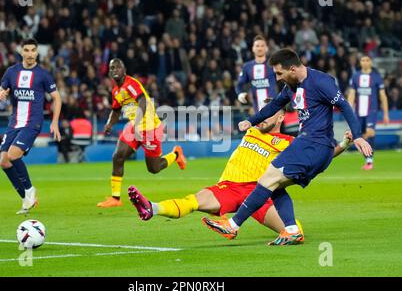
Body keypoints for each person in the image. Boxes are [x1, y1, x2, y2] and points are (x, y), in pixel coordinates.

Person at [202, 48, 372, 245]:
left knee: (267, 177)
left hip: (312, 144)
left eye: (279, 73)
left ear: (292, 69)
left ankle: (232, 225)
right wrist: (251, 121)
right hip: (314, 148)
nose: (277, 77)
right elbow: (274, 105)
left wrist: (358, 136)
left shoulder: (321, 81)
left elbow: (344, 106)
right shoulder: (291, 87)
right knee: (273, 186)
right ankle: (291, 230)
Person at [128, 98, 353, 236]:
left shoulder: (287, 142)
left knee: (294, 231)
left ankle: (281, 232)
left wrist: (343, 144)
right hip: (229, 187)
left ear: (282, 116)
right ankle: (151, 208)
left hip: (259, 194)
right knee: (192, 201)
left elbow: (321, 155)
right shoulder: (252, 129)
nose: (262, 117)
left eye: (270, 113)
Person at [96, 58, 187, 208]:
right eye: (112, 68)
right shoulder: (116, 91)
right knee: (118, 157)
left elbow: (143, 102)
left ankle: (176, 154)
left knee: (154, 168)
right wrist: (109, 123)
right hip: (134, 127)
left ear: (124, 70)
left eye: (117, 67)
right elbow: (116, 110)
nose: (114, 70)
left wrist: (137, 125)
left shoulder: (131, 84)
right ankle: (115, 198)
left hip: (150, 128)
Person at [0, 38, 62, 215]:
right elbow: (0, 89)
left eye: (33, 50)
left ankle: (30, 190)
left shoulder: (43, 74)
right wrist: (1, 94)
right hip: (15, 121)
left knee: (13, 155)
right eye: (27, 50)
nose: (30, 53)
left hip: (33, 122)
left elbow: (57, 98)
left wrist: (54, 122)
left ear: (37, 52)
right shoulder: (11, 72)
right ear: (21, 52)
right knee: (3, 161)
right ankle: (25, 197)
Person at [347, 55, 389, 170]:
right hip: (358, 112)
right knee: (359, 135)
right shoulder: (356, 76)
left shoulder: (376, 77)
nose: (364, 62)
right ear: (360, 62)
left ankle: (369, 160)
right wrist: (349, 111)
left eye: (367, 60)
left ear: (371, 62)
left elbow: (383, 96)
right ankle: (368, 159)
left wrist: (386, 114)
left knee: (370, 132)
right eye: (362, 60)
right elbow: (351, 94)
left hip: (372, 110)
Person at [236, 35, 280, 112]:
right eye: (257, 46)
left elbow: (284, 82)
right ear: (253, 48)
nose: (260, 48)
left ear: (266, 48)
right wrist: (240, 94)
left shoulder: (273, 65)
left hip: (273, 111)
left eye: (262, 46)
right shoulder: (247, 66)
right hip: (256, 111)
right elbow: (239, 84)